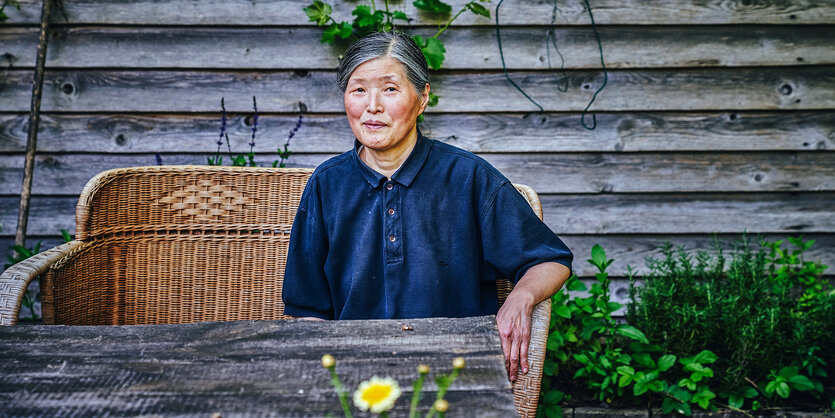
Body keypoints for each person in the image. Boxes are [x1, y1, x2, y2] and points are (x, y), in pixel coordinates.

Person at [282, 31, 573, 382]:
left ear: (422, 99)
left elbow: (550, 260)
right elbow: (307, 309)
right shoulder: (327, 185)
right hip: (357, 376)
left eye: (390, 89)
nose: (372, 105)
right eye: (359, 89)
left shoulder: (468, 178)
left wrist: (520, 297)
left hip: (454, 374)